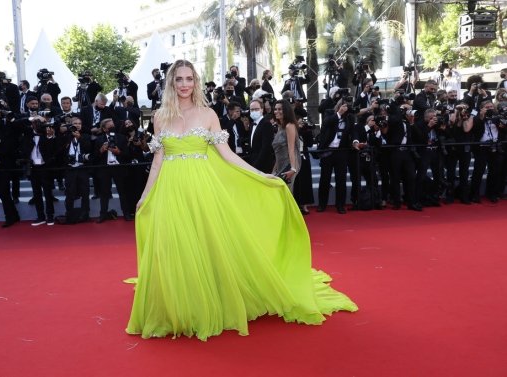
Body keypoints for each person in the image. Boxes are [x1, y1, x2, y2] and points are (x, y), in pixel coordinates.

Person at [125, 59, 357, 341]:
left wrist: (262, 175)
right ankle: (179, 305)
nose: (185, 84)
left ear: (195, 82)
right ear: (171, 83)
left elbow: (227, 155)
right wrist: (146, 194)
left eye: (189, 79)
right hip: (171, 190)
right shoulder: (160, 116)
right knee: (175, 244)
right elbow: (159, 159)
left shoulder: (208, 114)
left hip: (202, 188)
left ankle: (210, 301)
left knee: (206, 242)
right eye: (179, 79)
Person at [271, 99, 300, 193]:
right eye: (275, 109)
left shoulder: (289, 126)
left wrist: (293, 169)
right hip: (280, 164)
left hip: (289, 165)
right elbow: (278, 152)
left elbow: (292, 149)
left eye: (280, 109)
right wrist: (274, 169)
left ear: (286, 110)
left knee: (286, 194)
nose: (276, 111)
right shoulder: (280, 126)